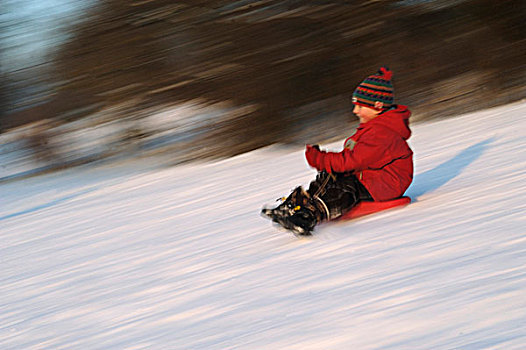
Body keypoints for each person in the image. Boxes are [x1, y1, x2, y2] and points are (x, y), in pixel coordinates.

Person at [262, 67, 413, 235]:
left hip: (385, 184)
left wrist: (321, 159)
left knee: (345, 185)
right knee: (331, 175)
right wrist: (326, 164)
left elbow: (353, 160)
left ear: (378, 106)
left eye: (360, 106)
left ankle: (310, 215)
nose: (355, 111)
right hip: (372, 177)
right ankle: (300, 205)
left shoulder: (382, 133)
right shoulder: (373, 128)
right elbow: (353, 160)